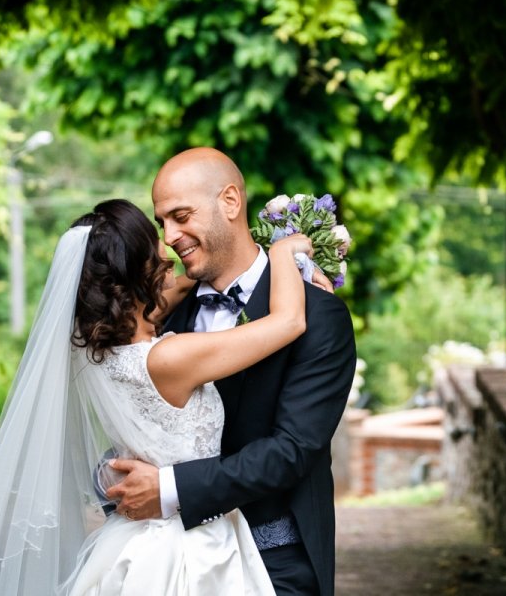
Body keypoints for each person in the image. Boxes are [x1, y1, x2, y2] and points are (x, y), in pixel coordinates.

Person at [0, 198, 315, 594]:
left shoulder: (90, 350)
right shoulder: (170, 357)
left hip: (132, 543)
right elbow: (289, 321)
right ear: (138, 269)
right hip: (188, 550)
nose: (168, 246)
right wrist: (281, 251)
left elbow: (177, 287)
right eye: (157, 241)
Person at [106, 147, 357, 596]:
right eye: (162, 222)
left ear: (230, 202)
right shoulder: (161, 322)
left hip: (275, 564)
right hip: (170, 567)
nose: (169, 237)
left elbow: (293, 450)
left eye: (181, 216)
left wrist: (167, 488)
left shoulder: (319, 315)